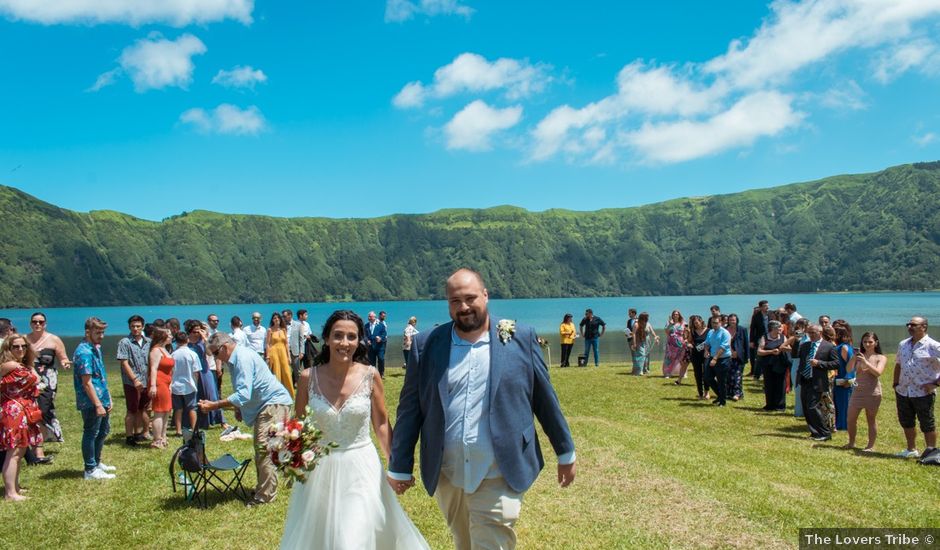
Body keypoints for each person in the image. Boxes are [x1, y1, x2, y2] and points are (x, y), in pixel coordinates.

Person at [389, 268, 576, 550]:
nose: (463, 307)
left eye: (470, 298)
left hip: (499, 468)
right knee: (463, 541)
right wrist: (400, 465)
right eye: (455, 301)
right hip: (448, 471)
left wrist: (565, 450)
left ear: (486, 295)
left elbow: (545, 399)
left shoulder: (520, 337)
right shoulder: (425, 345)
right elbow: (410, 408)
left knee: (491, 542)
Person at [280, 310, 430, 549]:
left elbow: (380, 423)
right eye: (338, 336)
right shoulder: (309, 378)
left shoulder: (370, 375)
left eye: (352, 337)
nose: (345, 343)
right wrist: (289, 452)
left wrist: (397, 466)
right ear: (327, 338)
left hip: (362, 467)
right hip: (319, 472)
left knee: (353, 537)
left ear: (359, 340)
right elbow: (299, 426)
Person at [202, 332, 294, 506]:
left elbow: (243, 394)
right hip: (267, 405)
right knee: (263, 449)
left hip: (273, 404)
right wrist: (238, 407)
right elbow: (245, 389)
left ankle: (265, 495)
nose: (215, 358)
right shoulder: (236, 358)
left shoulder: (242, 358)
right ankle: (264, 488)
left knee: (265, 450)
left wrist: (214, 405)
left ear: (225, 347)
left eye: (215, 353)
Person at [72, 317, 116, 480]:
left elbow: (101, 377)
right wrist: (97, 404)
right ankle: (90, 469)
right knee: (91, 432)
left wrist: (108, 397)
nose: (102, 336)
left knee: (103, 430)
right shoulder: (84, 352)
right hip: (91, 401)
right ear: (87, 332)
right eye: (98, 332)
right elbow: (87, 382)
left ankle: (97, 462)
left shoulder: (95, 348)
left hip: (102, 397)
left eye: (103, 332)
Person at [892, 316, 940, 459]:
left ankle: (931, 453)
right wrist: (896, 383)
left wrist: (935, 383)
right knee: (906, 420)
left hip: (923, 392)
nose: (910, 327)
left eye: (913, 325)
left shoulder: (933, 346)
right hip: (904, 390)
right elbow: (898, 363)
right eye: (908, 324)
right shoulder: (903, 344)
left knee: (927, 423)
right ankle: (911, 449)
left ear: (923, 327)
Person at [1, 334, 42, 500]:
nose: (20, 349)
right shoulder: (9, 365)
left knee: (21, 449)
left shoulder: (22, 364)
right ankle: (10, 493)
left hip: (24, 410)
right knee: (14, 452)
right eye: (15, 347)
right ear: (8, 349)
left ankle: (15, 487)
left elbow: (36, 378)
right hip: (13, 411)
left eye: (23, 346)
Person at [25, 312, 69, 461]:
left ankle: (39, 443)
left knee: (42, 410)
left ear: (45, 324)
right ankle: (35, 448)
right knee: (30, 411)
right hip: (29, 379)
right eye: (35, 322)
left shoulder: (54, 339)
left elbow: (63, 357)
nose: (38, 324)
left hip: (48, 381)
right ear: (31, 323)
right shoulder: (24, 340)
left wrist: (64, 363)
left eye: (41, 322)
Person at [796, 324, 839, 441]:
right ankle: (815, 432)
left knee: (812, 407)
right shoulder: (805, 346)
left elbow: (836, 363)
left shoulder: (829, 346)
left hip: (818, 381)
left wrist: (819, 363)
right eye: (809, 333)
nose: (811, 335)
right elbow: (797, 357)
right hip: (805, 379)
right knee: (806, 407)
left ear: (820, 333)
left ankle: (825, 433)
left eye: (813, 333)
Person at [845, 332, 886, 451]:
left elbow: (878, 373)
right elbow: (848, 370)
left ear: (876, 343)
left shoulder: (880, 357)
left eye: (870, 342)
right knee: (851, 419)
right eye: (865, 342)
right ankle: (851, 442)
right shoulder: (858, 356)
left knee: (871, 419)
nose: (867, 344)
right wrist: (853, 358)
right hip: (857, 391)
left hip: (873, 392)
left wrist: (866, 362)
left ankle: (870, 446)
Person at [116, 315, 151, 446]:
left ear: (142, 326)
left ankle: (140, 432)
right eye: (132, 326)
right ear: (129, 327)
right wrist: (134, 379)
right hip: (131, 382)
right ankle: (129, 436)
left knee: (143, 408)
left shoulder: (148, 341)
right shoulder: (125, 342)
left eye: (138, 326)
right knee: (132, 409)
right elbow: (124, 363)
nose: (135, 329)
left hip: (146, 380)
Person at [185, 320, 227, 430]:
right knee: (196, 397)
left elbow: (210, 353)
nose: (197, 334)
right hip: (192, 372)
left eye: (199, 331)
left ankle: (221, 420)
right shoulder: (186, 343)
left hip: (204, 370)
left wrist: (204, 338)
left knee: (212, 395)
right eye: (195, 332)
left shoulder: (203, 342)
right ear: (190, 332)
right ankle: (199, 421)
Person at [146, 329, 173, 449]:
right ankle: (156, 440)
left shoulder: (165, 349)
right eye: (169, 335)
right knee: (160, 410)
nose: (172, 337)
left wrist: (170, 383)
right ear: (163, 337)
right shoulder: (156, 350)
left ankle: (163, 436)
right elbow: (153, 368)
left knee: (167, 410)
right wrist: (152, 385)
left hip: (166, 382)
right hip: (158, 382)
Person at [170, 332, 200, 435]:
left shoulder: (173, 354)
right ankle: (194, 429)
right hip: (190, 385)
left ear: (176, 342)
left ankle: (178, 430)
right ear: (187, 340)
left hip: (175, 385)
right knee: (192, 408)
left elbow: (171, 371)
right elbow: (196, 372)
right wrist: (196, 383)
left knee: (178, 409)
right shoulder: (193, 354)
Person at [757, 320, 788, 411]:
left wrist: (783, 349)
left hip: (780, 364)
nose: (780, 329)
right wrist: (771, 352)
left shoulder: (783, 337)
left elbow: (789, 348)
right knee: (769, 384)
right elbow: (759, 351)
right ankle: (770, 405)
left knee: (781, 385)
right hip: (768, 364)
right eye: (778, 328)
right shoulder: (765, 337)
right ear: (773, 328)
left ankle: (780, 405)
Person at [704, 316, 732, 407]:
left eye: (716, 323)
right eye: (713, 323)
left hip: (723, 359)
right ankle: (720, 395)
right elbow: (707, 343)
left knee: (721, 381)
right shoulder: (711, 332)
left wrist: (715, 358)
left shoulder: (725, 333)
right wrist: (706, 351)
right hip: (712, 358)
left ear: (720, 323)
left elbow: (723, 347)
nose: (714, 325)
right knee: (708, 377)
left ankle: (722, 401)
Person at [265, 312, 294, 398]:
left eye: (278, 318)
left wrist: (289, 356)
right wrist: (268, 355)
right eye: (274, 318)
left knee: (286, 371)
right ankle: (277, 394)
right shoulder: (270, 330)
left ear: (280, 319)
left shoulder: (283, 329)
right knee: (276, 372)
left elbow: (286, 344)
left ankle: (289, 393)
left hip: (283, 352)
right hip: (274, 352)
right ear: (272, 320)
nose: (276, 319)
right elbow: (267, 344)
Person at [832, 325, 856, 431]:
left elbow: (850, 364)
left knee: (844, 402)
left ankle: (844, 424)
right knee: (837, 402)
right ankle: (838, 423)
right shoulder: (840, 346)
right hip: (837, 378)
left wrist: (848, 379)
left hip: (843, 378)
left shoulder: (844, 347)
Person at [787, 318, 810, 418]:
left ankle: (808, 411)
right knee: (798, 388)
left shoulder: (811, 337)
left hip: (808, 364)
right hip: (797, 363)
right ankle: (799, 412)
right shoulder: (798, 337)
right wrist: (797, 340)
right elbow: (794, 354)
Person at [682, 316, 709, 398]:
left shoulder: (709, 331)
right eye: (694, 323)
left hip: (706, 354)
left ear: (701, 321)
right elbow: (689, 341)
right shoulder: (693, 331)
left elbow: (711, 341)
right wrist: (688, 344)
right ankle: (700, 393)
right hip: (695, 354)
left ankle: (706, 392)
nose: (696, 324)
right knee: (698, 374)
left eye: (697, 322)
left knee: (706, 374)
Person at [726, 313, 749, 401]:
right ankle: (729, 392)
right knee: (728, 375)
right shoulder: (725, 330)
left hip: (739, 356)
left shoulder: (742, 329)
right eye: (730, 320)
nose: (732, 321)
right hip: (727, 355)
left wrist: (747, 356)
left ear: (737, 320)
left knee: (737, 375)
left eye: (734, 320)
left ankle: (737, 393)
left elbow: (746, 343)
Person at [748, 300, 769, 379]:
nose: (767, 307)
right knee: (759, 357)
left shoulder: (771, 314)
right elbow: (752, 329)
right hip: (760, 339)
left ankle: (765, 373)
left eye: (767, 305)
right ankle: (757, 374)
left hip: (770, 338)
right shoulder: (756, 316)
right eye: (765, 306)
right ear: (760, 307)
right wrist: (751, 341)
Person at [662, 310, 686, 379]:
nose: (675, 315)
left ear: (679, 315)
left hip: (680, 343)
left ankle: (683, 373)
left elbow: (686, 332)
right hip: (671, 343)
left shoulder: (683, 323)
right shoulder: (668, 323)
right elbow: (666, 332)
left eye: (677, 314)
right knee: (669, 358)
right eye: (674, 314)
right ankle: (667, 373)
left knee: (681, 358)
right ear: (672, 315)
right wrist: (670, 324)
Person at [365, 311, 388, 377]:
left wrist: (380, 338)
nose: (369, 318)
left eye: (370, 316)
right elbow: (364, 335)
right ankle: (373, 373)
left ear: (374, 317)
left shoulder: (381, 325)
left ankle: (381, 373)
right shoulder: (366, 326)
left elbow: (384, 334)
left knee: (381, 359)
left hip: (380, 346)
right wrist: (366, 340)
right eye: (368, 316)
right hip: (370, 347)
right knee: (372, 361)